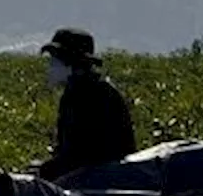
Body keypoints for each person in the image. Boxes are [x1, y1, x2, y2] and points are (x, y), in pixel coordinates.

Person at [37, 27, 135, 181]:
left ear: (71, 63)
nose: (50, 67)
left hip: (105, 178)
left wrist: (50, 168)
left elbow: (87, 153)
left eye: (55, 61)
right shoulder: (75, 93)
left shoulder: (96, 95)